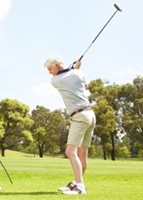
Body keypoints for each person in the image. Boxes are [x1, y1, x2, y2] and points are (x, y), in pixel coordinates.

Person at [44, 55, 96, 195]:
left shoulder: (55, 80)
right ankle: (76, 182)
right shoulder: (77, 74)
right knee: (82, 153)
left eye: (50, 69)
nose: (49, 72)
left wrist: (74, 68)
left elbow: (66, 75)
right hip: (90, 115)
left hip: (79, 116)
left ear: (57, 67)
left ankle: (79, 186)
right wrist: (76, 68)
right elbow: (84, 84)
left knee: (70, 152)